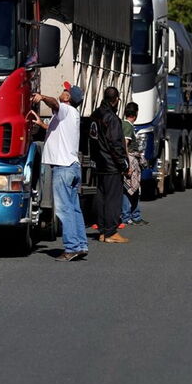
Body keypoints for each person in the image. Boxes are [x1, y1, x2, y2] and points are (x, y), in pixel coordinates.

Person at [35, 83, 89, 261]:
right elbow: (57, 133)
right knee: (74, 209)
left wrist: (42, 97)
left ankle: (71, 247)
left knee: (64, 210)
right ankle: (80, 245)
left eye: (65, 91)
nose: (62, 92)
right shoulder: (69, 115)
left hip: (63, 168)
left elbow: (55, 104)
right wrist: (41, 124)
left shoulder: (65, 109)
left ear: (68, 98)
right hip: (72, 166)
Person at [90, 86, 130, 243]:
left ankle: (102, 230)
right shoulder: (111, 118)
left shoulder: (95, 114)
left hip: (98, 162)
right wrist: (123, 165)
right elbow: (115, 144)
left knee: (101, 197)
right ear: (115, 100)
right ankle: (111, 232)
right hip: (110, 164)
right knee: (113, 199)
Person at [121, 102, 148, 226]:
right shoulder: (128, 126)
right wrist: (129, 165)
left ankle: (131, 215)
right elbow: (125, 144)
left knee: (129, 189)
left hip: (128, 159)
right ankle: (130, 215)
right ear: (135, 114)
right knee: (132, 189)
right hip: (131, 159)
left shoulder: (123, 124)